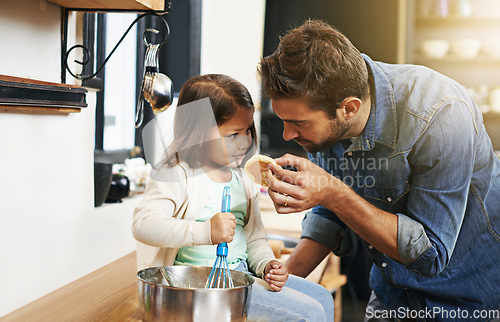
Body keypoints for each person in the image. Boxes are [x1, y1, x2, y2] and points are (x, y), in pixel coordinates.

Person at [258, 19, 500, 321]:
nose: (286, 136)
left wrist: (331, 192)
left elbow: (430, 253)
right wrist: (278, 286)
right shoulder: (328, 110)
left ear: (349, 108)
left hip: (468, 296)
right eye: (283, 120)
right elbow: (330, 216)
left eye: (299, 123)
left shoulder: (441, 113)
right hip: (392, 291)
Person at [132, 74, 334, 321]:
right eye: (233, 134)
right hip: (198, 285)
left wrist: (266, 265)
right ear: (197, 133)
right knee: (309, 313)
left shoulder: (243, 180)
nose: (245, 141)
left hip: (239, 276)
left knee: (323, 297)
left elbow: (254, 239)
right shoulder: (176, 174)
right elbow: (144, 225)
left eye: (248, 130)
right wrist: (206, 232)